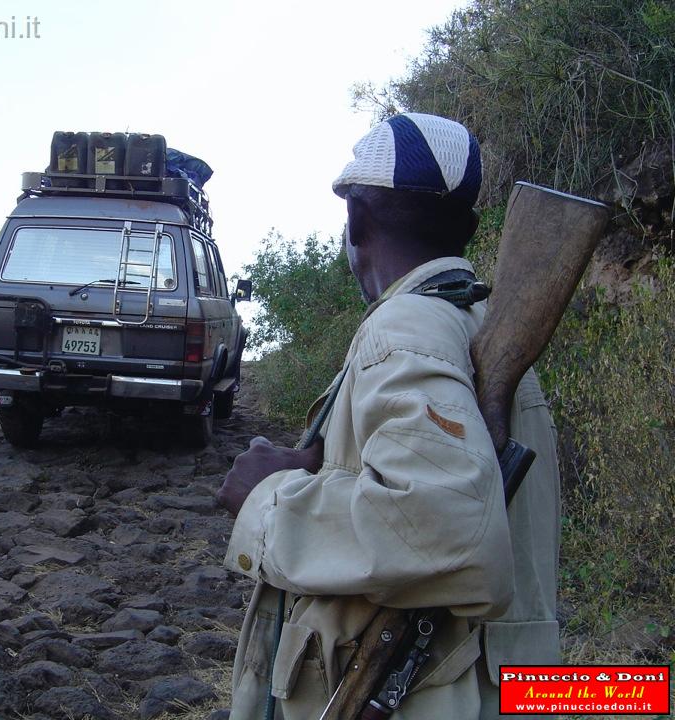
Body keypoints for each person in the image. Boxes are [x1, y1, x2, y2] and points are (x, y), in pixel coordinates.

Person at [217, 113, 560, 720]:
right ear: (470, 229)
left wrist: (267, 499)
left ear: (356, 220)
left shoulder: (404, 328)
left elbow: (449, 529)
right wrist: (324, 476)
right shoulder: (486, 335)